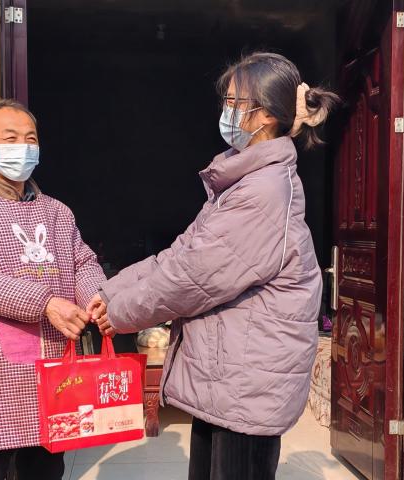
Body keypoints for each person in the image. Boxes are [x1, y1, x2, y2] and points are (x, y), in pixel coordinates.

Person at [88, 52, 339, 480]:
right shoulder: (242, 183)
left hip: (248, 382)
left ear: (265, 115)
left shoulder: (263, 191)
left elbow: (192, 277)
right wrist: (110, 292)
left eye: (236, 101)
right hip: (229, 377)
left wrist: (120, 313)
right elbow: (182, 253)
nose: (227, 110)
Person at [0, 99, 106, 480]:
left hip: (54, 375)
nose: (23, 147)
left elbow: (82, 263)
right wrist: (46, 303)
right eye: (10, 139)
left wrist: (98, 297)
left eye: (31, 139)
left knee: (44, 470)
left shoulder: (58, 212)